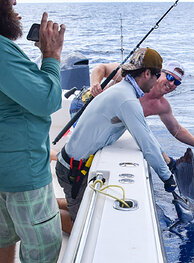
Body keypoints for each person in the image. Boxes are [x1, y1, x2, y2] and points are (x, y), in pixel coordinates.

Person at [56, 47, 177, 230]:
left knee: (79, 204)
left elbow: (145, 133)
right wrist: (168, 179)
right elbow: (146, 145)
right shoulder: (127, 100)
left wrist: (167, 161)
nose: (158, 80)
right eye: (157, 74)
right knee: (80, 229)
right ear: (146, 73)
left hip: (73, 164)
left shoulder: (122, 90)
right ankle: (38, 216)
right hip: (72, 171)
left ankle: (49, 205)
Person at [0, 1, 66, 263]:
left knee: (2, 236)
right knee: (43, 250)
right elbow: (47, 100)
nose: (14, 2)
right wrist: (51, 57)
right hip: (22, 173)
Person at [90, 61, 194, 162]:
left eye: (176, 82)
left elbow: (177, 130)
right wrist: (95, 84)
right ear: (160, 73)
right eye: (170, 77)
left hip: (108, 129)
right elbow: (101, 68)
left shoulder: (162, 106)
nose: (171, 83)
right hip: (87, 109)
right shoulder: (136, 77)